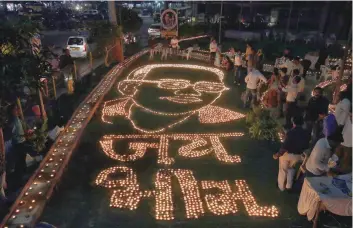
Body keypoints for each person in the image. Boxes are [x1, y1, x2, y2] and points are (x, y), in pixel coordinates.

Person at [273, 116, 310, 191]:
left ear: (293, 123)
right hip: (300, 156)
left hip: (289, 155)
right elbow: (307, 145)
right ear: (303, 123)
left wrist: (277, 155)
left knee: (283, 169)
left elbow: (285, 146)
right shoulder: (306, 133)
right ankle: (289, 186)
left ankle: (281, 187)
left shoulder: (291, 132)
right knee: (291, 168)